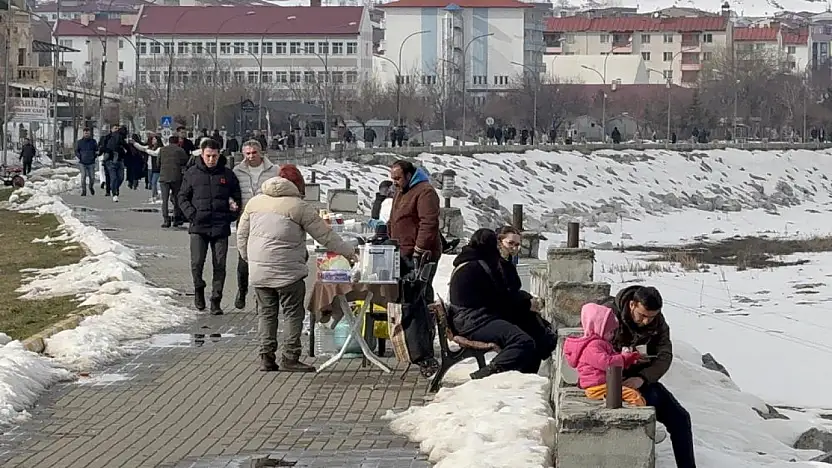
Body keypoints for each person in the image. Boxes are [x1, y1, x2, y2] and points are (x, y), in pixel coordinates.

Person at [238, 165, 355, 372]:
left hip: (259, 271)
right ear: (297, 185)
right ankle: (290, 357)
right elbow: (325, 236)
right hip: (288, 272)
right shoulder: (298, 206)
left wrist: (250, 259)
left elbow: (241, 235)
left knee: (266, 313)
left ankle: (266, 356)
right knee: (293, 313)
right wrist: (350, 252)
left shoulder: (254, 203)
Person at [600, 285, 696, 468]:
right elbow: (594, 349)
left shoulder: (658, 323)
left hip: (641, 379)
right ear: (631, 305)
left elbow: (664, 355)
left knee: (680, 419)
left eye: (651, 317)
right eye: (642, 315)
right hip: (609, 383)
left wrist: (643, 377)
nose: (646, 321)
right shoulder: (608, 316)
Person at [448, 228, 539, 379]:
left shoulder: (468, 261)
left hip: (467, 319)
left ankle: (521, 377)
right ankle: (488, 372)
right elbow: (499, 298)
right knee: (522, 340)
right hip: (474, 322)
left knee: (527, 329)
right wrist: (525, 303)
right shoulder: (478, 267)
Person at [178, 138, 242, 314]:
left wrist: (231, 215)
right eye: (208, 156)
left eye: (214, 156)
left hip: (220, 227)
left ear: (219, 154)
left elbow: (237, 199)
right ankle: (198, 288)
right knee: (197, 263)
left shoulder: (227, 175)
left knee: (219, 264)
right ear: (202, 153)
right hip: (199, 226)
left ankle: (216, 299)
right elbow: (182, 197)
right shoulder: (192, 173)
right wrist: (192, 215)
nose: (211, 159)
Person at [495, 226, 556, 370]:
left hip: (512, 309)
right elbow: (503, 294)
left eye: (517, 245)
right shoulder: (496, 264)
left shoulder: (507, 262)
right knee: (534, 335)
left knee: (540, 329)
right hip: (500, 313)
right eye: (511, 243)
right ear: (500, 242)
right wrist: (527, 303)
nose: (515, 248)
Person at [563, 303, 645, 406]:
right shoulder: (592, 346)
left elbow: (611, 359)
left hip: (602, 384)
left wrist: (628, 359)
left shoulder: (599, 343)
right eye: (610, 332)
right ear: (597, 328)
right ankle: (637, 419)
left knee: (633, 392)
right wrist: (623, 358)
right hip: (596, 387)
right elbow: (607, 363)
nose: (612, 335)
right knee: (632, 395)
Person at [231, 139, 275, 309]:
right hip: (245, 219)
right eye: (247, 153)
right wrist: (232, 205)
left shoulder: (274, 171)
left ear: (261, 153)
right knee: (244, 260)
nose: (251, 156)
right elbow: (231, 193)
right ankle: (242, 290)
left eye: (254, 153)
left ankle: (261, 298)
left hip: (267, 221)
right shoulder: (237, 171)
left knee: (264, 261)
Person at [388, 160, 441, 300]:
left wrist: (420, 248)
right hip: (402, 251)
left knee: (420, 293)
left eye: (398, 178)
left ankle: (425, 320)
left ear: (409, 175)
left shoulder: (425, 192)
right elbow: (394, 218)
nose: (394, 182)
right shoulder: (400, 191)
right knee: (405, 294)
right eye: (393, 179)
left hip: (420, 254)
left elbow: (429, 223)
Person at [144, 135, 190, 228]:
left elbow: (158, 163)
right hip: (176, 177)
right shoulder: (180, 150)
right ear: (177, 142)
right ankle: (176, 218)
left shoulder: (162, 150)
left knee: (164, 200)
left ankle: (166, 220)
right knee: (177, 198)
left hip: (164, 177)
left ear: (169, 142)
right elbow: (186, 161)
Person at [101, 125, 128, 202]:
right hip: (110, 160)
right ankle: (114, 193)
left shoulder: (120, 138)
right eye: (115, 128)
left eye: (117, 128)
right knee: (113, 177)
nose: (116, 130)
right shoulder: (108, 137)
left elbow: (125, 146)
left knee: (120, 177)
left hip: (119, 160)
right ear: (111, 129)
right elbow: (103, 147)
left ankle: (114, 188)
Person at [75, 128, 97, 196]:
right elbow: (76, 151)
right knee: (83, 176)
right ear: (83, 133)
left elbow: (96, 150)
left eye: (88, 133)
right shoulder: (80, 142)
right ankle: (84, 190)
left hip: (91, 162)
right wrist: (80, 156)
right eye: (85, 133)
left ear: (90, 133)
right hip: (82, 162)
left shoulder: (93, 141)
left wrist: (94, 156)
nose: (86, 134)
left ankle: (91, 187)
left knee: (92, 177)